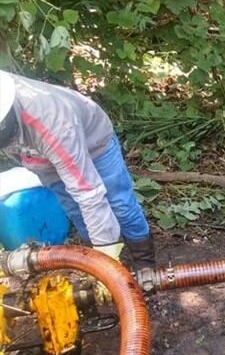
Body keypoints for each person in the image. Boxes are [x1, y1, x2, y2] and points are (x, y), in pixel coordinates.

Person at [0, 69, 155, 266]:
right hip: (41, 159)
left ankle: (144, 263)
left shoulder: (51, 121)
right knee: (76, 211)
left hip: (94, 145)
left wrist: (106, 260)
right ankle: (97, 259)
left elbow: (88, 194)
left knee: (120, 205)